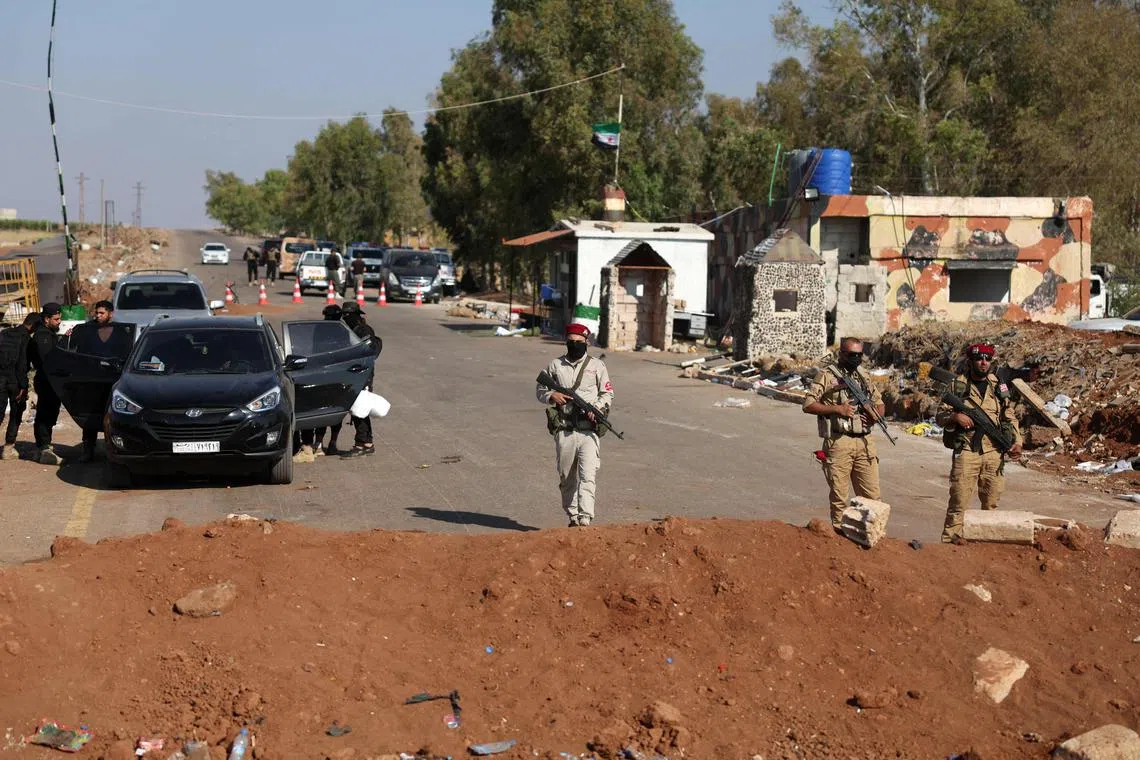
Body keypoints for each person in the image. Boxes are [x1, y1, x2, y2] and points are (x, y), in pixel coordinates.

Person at [936, 342, 1023, 543]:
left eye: (987, 359)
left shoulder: (999, 386)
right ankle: (950, 541)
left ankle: (986, 544)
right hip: (967, 450)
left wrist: (1017, 442)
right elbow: (940, 416)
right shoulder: (957, 385)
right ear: (970, 361)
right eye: (979, 359)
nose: (983, 362)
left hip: (994, 452)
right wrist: (955, 417)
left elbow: (1008, 416)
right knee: (959, 501)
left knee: (991, 502)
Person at [801, 337, 885, 532]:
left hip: (865, 442)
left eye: (859, 355)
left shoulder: (863, 376)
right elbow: (808, 404)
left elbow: (880, 403)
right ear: (842, 354)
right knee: (840, 497)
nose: (856, 358)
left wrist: (875, 416)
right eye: (851, 355)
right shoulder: (827, 376)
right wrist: (837, 409)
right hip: (839, 441)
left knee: (872, 496)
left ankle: (872, 535)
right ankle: (841, 537)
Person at [536, 323, 614, 527]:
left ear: (586, 342)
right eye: (570, 342)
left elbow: (607, 393)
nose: (574, 345)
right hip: (565, 430)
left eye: (578, 343)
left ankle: (585, 517)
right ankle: (572, 516)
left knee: (588, 475)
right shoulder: (555, 365)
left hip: (588, 430)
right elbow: (540, 388)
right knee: (566, 477)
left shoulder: (597, 366)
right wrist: (551, 395)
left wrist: (595, 407)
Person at [71, 300, 131, 463]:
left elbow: (127, 354)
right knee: (90, 414)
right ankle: (88, 449)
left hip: (112, 381)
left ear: (110, 314)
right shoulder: (86, 330)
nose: (98, 316)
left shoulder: (121, 332)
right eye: (96, 313)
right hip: (91, 380)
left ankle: (113, 448)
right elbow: (77, 351)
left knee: (111, 416)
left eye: (101, 313)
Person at [293, 303, 345, 463]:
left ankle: (316, 445)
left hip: (323, 374)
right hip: (339, 375)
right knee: (335, 409)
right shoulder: (343, 329)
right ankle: (331, 443)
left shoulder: (321, 328)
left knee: (318, 409)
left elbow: (316, 351)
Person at [339, 301, 382, 457]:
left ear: (356, 315)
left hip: (363, 375)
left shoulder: (364, 330)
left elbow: (367, 353)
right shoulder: (348, 330)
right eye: (344, 315)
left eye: (348, 315)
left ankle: (363, 443)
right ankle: (365, 442)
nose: (346, 318)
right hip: (353, 374)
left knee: (359, 409)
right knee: (358, 409)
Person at [28, 302, 63, 465]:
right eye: (56, 319)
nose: (59, 322)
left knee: (50, 412)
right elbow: (48, 361)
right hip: (46, 380)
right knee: (45, 413)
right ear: (47, 319)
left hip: (51, 380)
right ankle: (43, 446)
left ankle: (44, 444)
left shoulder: (48, 333)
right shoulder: (42, 336)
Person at [0, 313, 39, 460]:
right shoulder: (27, 339)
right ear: (33, 326)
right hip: (15, 381)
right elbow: (22, 364)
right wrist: (24, 386)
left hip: (1, 378)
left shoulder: (4, 333)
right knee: (16, 413)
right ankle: (9, 447)